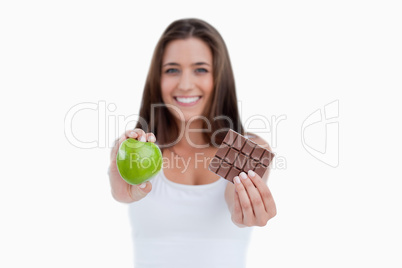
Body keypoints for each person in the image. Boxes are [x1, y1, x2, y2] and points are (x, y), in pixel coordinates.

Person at [109, 18, 277, 268]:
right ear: (156, 78)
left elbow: (234, 202)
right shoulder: (133, 147)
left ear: (219, 78)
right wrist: (123, 192)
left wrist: (243, 215)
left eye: (200, 69)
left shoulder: (248, 146)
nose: (185, 85)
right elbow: (123, 194)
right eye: (172, 70)